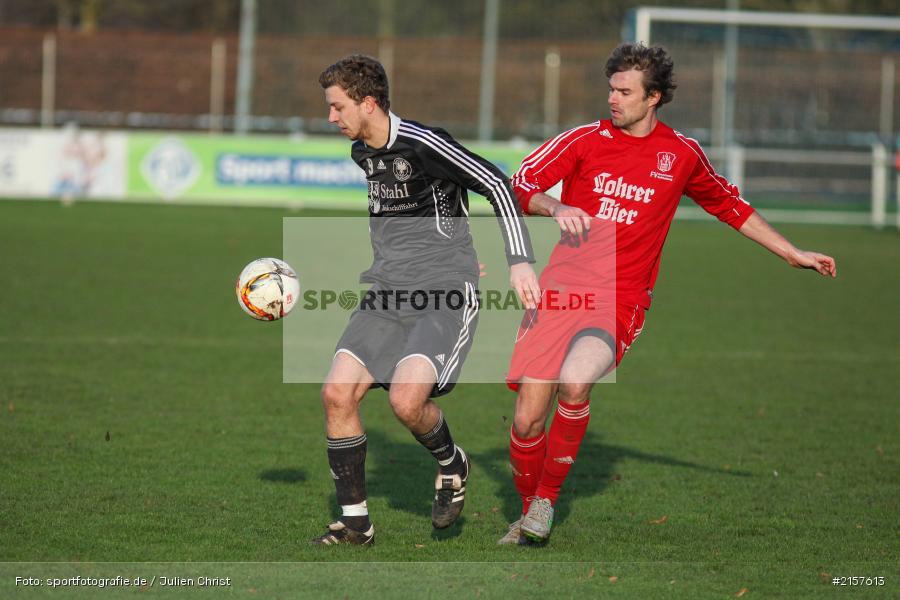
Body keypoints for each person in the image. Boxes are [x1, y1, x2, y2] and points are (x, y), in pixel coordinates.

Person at [499, 43, 837, 545]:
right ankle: (527, 513)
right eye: (611, 89)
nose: (613, 99)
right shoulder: (583, 140)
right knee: (527, 420)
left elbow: (731, 207)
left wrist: (789, 252)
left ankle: (544, 503)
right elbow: (519, 184)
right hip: (559, 292)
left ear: (653, 97)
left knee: (576, 383)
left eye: (625, 91)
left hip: (620, 298)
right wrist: (553, 207)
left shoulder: (680, 155)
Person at [313, 54, 540, 546]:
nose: (331, 117)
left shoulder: (424, 143)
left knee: (406, 402)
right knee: (336, 394)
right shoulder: (362, 150)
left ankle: (452, 464)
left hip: (444, 294)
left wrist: (519, 259)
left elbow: (497, 183)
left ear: (367, 103)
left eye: (337, 107)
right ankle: (356, 525)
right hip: (386, 291)